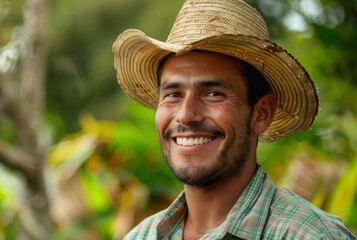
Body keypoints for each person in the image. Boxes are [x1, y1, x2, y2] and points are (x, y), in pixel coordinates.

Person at [112, 0, 357, 239]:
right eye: (173, 94)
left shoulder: (309, 235)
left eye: (213, 94)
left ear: (261, 114)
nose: (186, 114)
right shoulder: (141, 236)